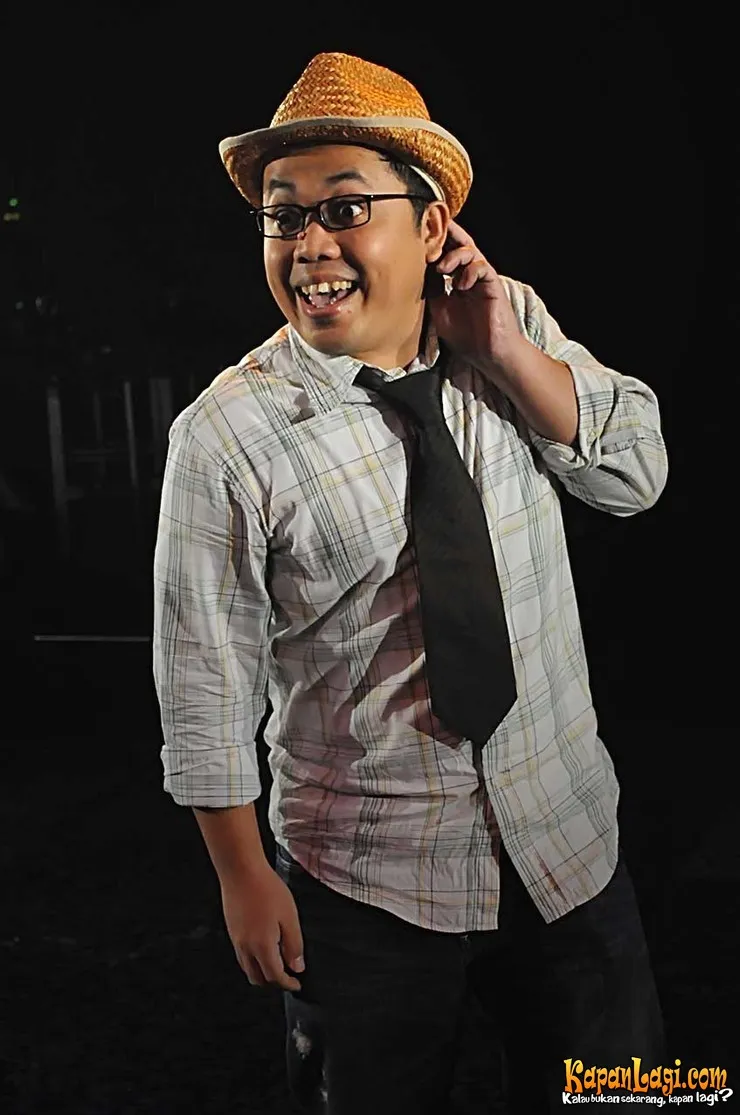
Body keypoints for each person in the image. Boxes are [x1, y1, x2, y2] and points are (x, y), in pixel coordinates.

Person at [153, 52, 669, 1115]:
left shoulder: (509, 322)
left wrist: (508, 353)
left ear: (431, 226)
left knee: (620, 1099)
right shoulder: (225, 435)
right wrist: (243, 873)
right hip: (364, 884)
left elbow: (635, 477)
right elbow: (204, 676)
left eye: (345, 208)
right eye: (282, 216)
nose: (309, 244)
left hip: (566, 840)